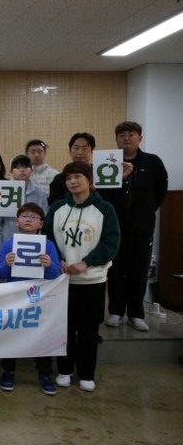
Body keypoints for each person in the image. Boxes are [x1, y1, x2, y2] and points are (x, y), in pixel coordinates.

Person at [44, 162, 120, 392]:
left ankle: (86, 373)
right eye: (68, 178)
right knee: (64, 329)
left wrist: (86, 262)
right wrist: (59, 260)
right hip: (63, 281)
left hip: (92, 281)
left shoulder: (105, 209)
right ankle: (65, 370)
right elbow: (48, 238)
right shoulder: (58, 207)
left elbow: (111, 242)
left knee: (88, 330)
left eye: (77, 176)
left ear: (89, 180)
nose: (72, 182)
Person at [100, 122, 168, 332]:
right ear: (116, 139)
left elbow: (161, 191)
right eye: (122, 135)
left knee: (139, 270)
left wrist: (145, 210)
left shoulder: (152, 162)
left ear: (140, 138)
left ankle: (136, 314)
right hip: (114, 226)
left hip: (142, 226)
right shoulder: (107, 161)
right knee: (115, 271)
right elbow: (102, 193)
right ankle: (116, 311)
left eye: (131, 134)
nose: (126, 138)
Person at [0, 203, 61, 395]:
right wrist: (7, 264)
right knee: (11, 335)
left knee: (42, 336)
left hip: (39, 298)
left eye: (34, 217)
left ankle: (45, 374)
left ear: (41, 224)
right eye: (24, 216)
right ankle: (8, 371)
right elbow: (0, 273)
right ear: (16, 221)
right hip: (15, 298)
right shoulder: (8, 244)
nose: (29, 219)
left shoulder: (48, 245)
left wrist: (49, 265)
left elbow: (55, 274)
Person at [0, 155, 48, 254]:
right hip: (8, 246)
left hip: (34, 246)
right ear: (11, 172)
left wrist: (42, 246)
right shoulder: (3, 191)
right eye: (18, 167)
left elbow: (44, 221)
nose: (22, 170)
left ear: (31, 171)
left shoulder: (40, 193)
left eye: (26, 167)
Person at [48, 133, 96, 205]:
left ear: (92, 152)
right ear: (70, 151)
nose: (80, 152)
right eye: (76, 148)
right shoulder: (60, 179)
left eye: (84, 148)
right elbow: (53, 202)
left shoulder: (99, 176)